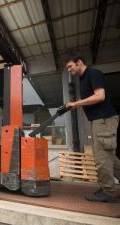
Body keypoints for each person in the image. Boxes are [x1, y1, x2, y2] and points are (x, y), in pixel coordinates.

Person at [65, 54, 120, 203]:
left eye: (70, 66)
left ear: (79, 62)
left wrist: (76, 103)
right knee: (110, 158)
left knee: (101, 157)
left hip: (103, 120)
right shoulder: (83, 79)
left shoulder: (93, 73)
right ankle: (106, 188)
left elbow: (100, 96)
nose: (69, 70)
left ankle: (108, 192)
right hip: (98, 121)